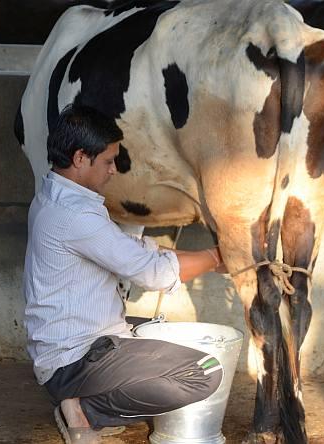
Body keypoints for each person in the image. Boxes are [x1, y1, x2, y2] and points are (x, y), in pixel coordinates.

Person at [23, 104, 227, 443]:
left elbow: (134, 249)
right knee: (205, 372)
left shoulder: (54, 196)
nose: (114, 170)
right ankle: (86, 410)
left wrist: (209, 259)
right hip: (78, 361)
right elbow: (153, 274)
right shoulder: (75, 216)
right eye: (107, 161)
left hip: (70, 348)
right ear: (79, 159)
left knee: (161, 331)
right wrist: (218, 255)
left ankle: (86, 402)